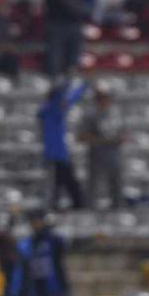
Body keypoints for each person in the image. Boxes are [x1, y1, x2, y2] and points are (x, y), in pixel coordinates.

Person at [22, 210, 78, 296]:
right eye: (32, 222)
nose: (35, 224)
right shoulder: (30, 242)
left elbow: (64, 244)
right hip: (38, 292)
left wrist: (48, 229)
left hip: (58, 291)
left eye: (37, 221)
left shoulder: (52, 240)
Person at [39, 80, 87, 211]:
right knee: (58, 184)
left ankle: (74, 205)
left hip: (61, 155)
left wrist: (82, 87)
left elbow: (69, 100)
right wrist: (70, 80)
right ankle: (56, 207)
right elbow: (64, 98)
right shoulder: (50, 112)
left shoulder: (53, 111)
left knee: (66, 183)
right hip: (55, 156)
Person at [77, 84, 125, 209]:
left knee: (116, 185)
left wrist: (120, 138)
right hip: (97, 157)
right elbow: (82, 137)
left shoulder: (115, 114)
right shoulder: (90, 115)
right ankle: (90, 210)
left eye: (107, 97)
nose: (105, 99)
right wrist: (104, 141)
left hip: (114, 156)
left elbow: (122, 133)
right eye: (102, 97)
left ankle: (117, 209)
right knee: (93, 186)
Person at [44, 0, 89, 81]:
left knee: (73, 57)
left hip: (74, 24)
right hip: (57, 24)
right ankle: (54, 81)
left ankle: (70, 79)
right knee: (55, 56)